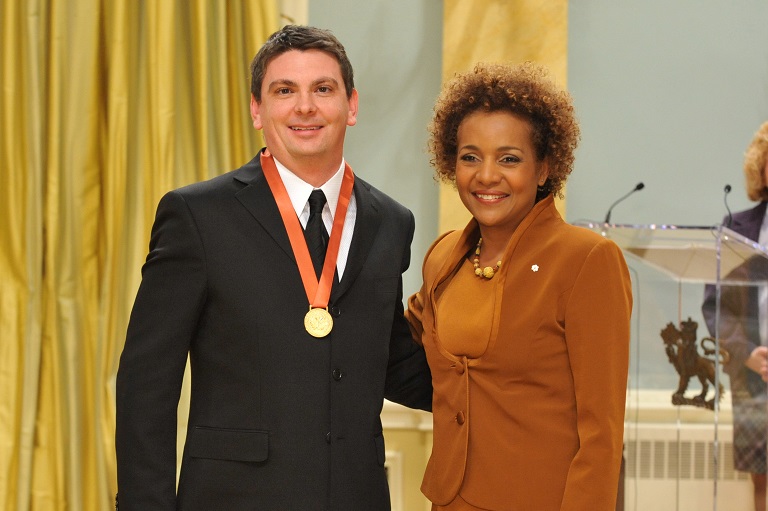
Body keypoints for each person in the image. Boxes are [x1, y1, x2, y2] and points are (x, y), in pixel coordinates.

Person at [115, 25, 432, 510]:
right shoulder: (197, 217)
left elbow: (387, 359)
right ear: (257, 110)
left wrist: (508, 381)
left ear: (351, 105)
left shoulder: (391, 222)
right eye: (285, 91)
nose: (304, 107)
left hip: (357, 497)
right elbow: (147, 385)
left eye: (322, 89)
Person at [405, 62, 632, 510]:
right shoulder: (444, 257)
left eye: (509, 158)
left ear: (545, 167)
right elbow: (401, 339)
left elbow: (601, 434)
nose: (487, 175)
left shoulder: (586, 260)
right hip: (450, 500)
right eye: (470, 157)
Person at [702, 121, 768, 511]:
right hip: (754, 378)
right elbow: (715, 306)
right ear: (761, 170)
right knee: (762, 482)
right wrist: (747, 352)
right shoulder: (737, 228)